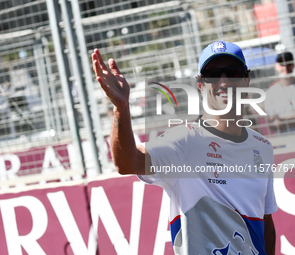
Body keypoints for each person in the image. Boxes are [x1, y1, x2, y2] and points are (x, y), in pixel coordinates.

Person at [92, 41, 277, 255]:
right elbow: (126, 163)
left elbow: (266, 224)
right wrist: (120, 109)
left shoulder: (262, 147)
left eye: (232, 72)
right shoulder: (185, 140)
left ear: (246, 80)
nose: (223, 82)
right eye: (213, 74)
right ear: (201, 84)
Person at [264, 51, 295, 132]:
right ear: (276, 66)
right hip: (285, 142)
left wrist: (282, 120)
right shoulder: (271, 92)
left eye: (288, 63)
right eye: (282, 63)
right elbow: (272, 124)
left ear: (293, 64)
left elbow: (276, 122)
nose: (285, 66)